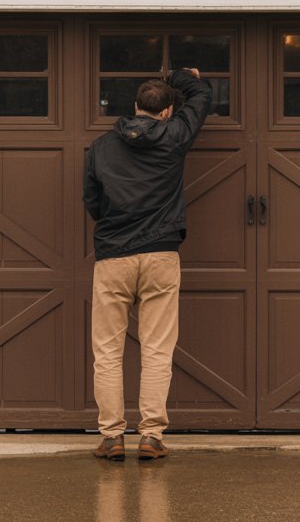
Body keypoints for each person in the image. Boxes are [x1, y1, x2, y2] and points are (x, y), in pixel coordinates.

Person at [82, 68, 211, 461]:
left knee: (107, 351)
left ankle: (111, 436)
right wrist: (179, 75)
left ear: (135, 107)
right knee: (156, 349)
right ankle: (151, 436)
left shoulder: (102, 147)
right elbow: (202, 95)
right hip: (160, 255)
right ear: (168, 110)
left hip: (113, 256)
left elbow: (92, 201)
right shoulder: (175, 136)